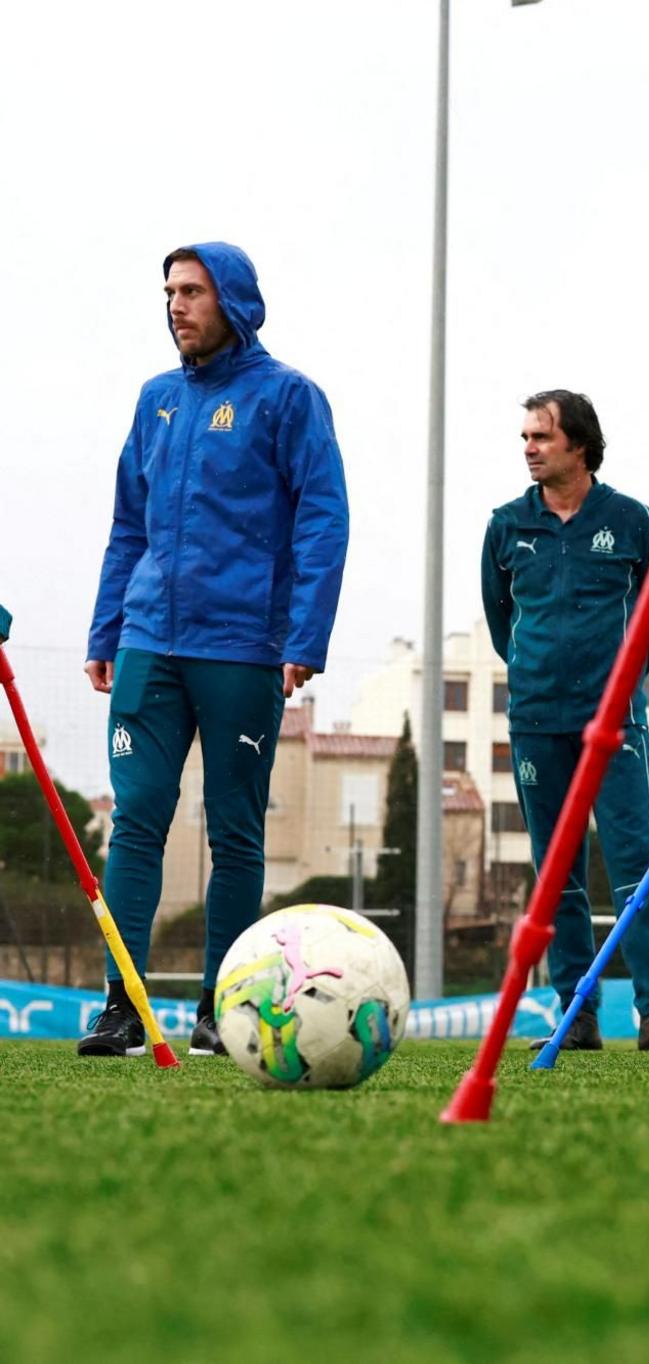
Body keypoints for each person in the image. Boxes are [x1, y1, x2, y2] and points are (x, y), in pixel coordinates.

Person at [81, 242, 349, 1059]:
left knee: (234, 830)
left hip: (241, 646)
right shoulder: (155, 399)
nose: (176, 305)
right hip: (147, 642)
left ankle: (217, 1007)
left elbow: (322, 517)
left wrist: (304, 635)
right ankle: (120, 1008)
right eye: (168, 291)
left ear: (233, 299)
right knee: (136, 821)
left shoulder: (289, 397)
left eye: (192, 291)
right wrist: (105, 629)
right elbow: (130, 520)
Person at [482, 391, 649, 1052]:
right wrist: (535, 668)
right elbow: (502, 623)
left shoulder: (634, 522)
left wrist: (619, 682)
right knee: (557, 871)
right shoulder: (505, 526)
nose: (529, 448)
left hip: (613, 723)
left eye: (541, 437)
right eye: (525, 437)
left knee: (637, 860)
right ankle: (574, 1013)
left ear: (578, 444)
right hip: (535, 720)